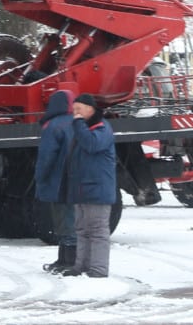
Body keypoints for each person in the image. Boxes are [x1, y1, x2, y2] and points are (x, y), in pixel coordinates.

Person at [69, 93, 117, 278]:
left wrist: (79, 124)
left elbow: (92, 145)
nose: (75, 114)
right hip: (84, 188)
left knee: (97, 231)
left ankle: (98, 270)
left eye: (79, 110)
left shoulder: (102, 128)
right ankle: (81, 267)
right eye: (74, 110)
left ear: (91, 109)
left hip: (97, 189)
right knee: (82, 230)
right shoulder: (85, 129)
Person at [33, 88, 77, 275]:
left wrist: (40, 177)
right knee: (72, 218)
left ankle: (68, 261)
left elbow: (46, 156)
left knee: (63, 219)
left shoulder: (53, 126)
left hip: (60, 180)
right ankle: (66, 260)